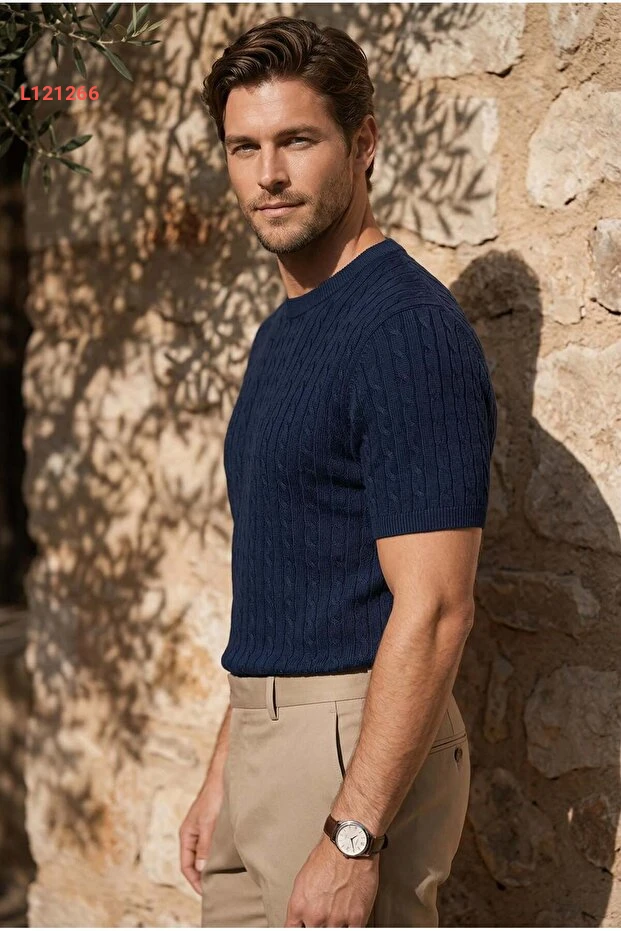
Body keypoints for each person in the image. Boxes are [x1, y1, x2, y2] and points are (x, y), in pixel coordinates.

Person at [179, 14, 497, 928]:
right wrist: (226, 767)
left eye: (296, 140)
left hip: (346, 751)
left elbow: (436, 608)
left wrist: (353, 834)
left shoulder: (405, 332)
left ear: (362, 145)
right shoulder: (283, 333)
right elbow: (290, 578)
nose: (267, 175)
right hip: (265, 742)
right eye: (243, 147)